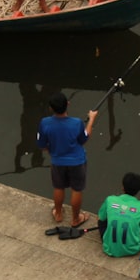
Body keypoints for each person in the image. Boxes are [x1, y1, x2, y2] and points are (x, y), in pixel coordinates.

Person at [36, 92, 97, 227]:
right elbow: (84, 138)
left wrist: (50, 149)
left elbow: (42, 145)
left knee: (58, 187)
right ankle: (76, 219)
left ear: (51, 108)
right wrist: (91, 119)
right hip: (77, 161)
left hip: (57, 161)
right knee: (76, 189)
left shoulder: (44, 123)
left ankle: (58, 214)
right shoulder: (77, 123)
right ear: (67, 104)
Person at [97, 172, 140, 258]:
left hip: (108, 247)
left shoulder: (110, 199)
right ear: (138, 190)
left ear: (122, 187)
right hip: (132, 249)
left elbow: (101, 217)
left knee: (102, 218)